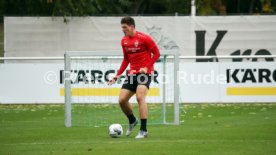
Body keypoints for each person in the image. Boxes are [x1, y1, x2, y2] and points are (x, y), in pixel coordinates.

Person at [108, 16, 160, 139]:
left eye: (125, 27)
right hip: (132, 74)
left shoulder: (144, 38)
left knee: (140, 97)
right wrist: (117, 75)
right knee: (121, 100)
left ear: (132, 26)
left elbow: (157, 53)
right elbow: (126, 59)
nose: (123, 29)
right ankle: (132, 120)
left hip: (144, 74)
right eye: (122, 27)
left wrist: (147, 67)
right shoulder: (124, 41)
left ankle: (143, 130)